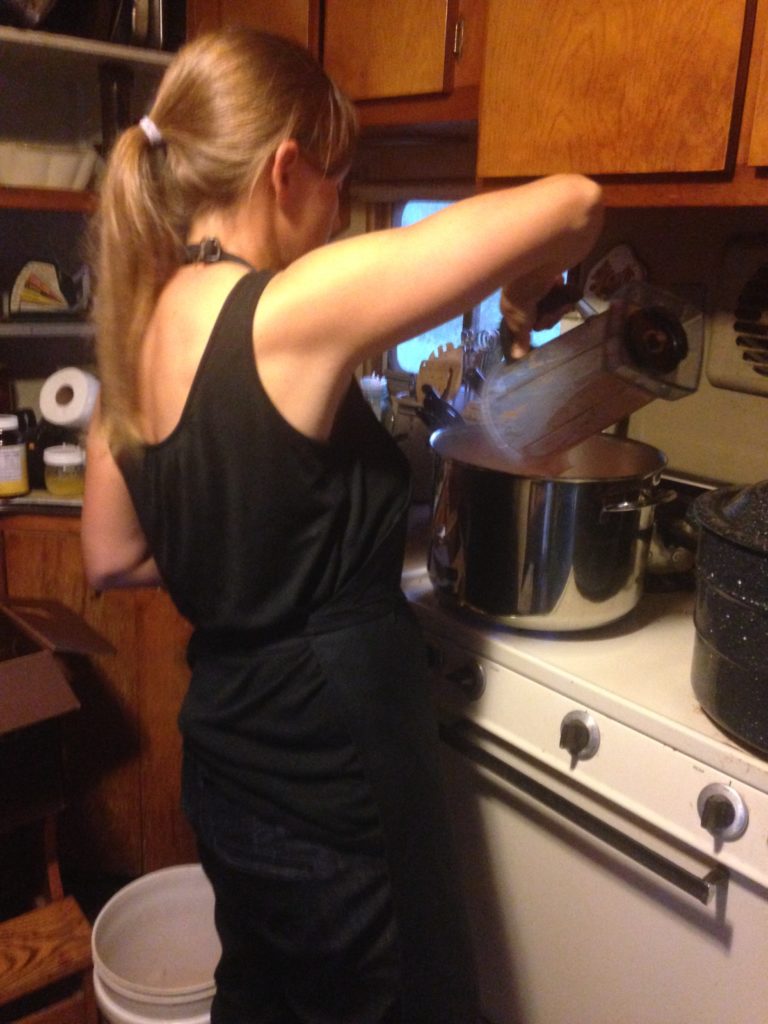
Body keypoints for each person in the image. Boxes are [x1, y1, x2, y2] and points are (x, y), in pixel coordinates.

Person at [81, 26, 603, 1024]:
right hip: (335, 757)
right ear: (286, 170)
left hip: (232, 750)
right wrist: (527, 285)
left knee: (268, 998)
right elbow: (575, 200)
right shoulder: (284, 309)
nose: (335, 213)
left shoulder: (142, 325)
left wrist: (261, 558)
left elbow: (113, 551)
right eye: (337, 180)